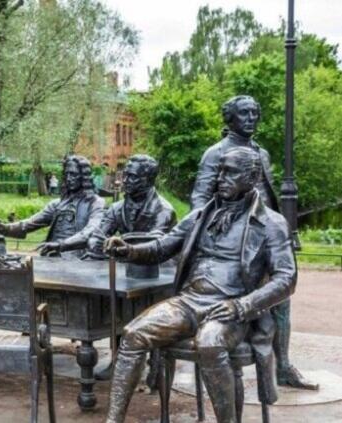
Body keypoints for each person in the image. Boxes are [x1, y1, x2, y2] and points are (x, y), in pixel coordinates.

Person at [103, 147, 296, 423]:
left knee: (210, 342)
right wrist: (129, 250)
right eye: (220, 171)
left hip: (233, 310)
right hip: (188, 302)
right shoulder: (200, 215)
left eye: (230, 172)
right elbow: (162, 247)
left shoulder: (272, 224)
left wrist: (243, 305)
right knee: (133, 334)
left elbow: (287, 278)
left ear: (252, 177)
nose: (220, 178)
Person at [189, 95, 314, 390]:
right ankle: (225, 364)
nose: (251, 118)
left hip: (265, 237)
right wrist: (209, 235)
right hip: (235, 241)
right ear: (229, 118)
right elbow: (199, 200)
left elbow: (266, 195)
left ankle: (283, 366)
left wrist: (280, 229)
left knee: (280, 299)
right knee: (234, 307)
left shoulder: (261, 153)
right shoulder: (215, 153)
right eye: (244, 113)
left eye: (255, 113)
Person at [40, 155, 177, 258]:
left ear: (149, 179)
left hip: (159, 272)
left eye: (132, 177)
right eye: (125, 175)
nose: (125, 181)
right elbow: (97, 236)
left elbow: (155, 244)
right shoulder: (116, 208)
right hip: (125, 267)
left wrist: (119, 244)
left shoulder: (163, 211)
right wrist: (63, 245)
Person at [0, 155, 106, 258]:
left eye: (73, 174)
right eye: (66, 174)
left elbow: (91, 230)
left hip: (80, 258)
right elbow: (30, 223)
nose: (69, 178)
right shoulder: (57, 204)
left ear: (84, 176)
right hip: (53, 256)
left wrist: (61, 245)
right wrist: (5, 228)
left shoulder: (95, 203)